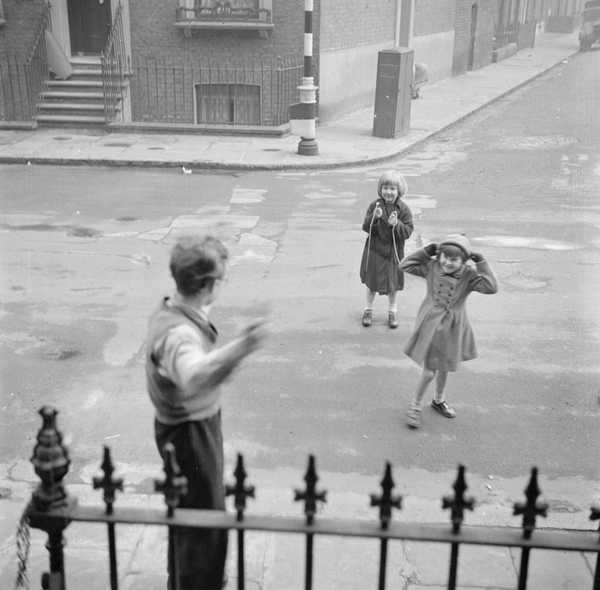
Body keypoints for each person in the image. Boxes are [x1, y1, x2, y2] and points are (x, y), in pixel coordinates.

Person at [145, 234, 266, 589]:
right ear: (207, 284)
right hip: (190, 434)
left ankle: (183, 579)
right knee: (204, 518)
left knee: (187, 512)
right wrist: (243, 347)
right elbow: (194, 376)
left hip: (189, 427)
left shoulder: (175, 308)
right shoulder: (179, 334)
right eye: (220, 279)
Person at [399, 234, 498, 429]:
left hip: (453, 327)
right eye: (444, 256)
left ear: (464, 260)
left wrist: (481, 262)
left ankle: (438, 400)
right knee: (429, 372)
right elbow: (405, 265)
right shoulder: (432, 267)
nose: (447, 262)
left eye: (454, 259)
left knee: (444, 368)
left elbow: (491, 287)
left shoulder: (469, 275)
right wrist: (427, 251)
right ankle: (415, 406)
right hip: (430, 325)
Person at [359, 170, 414, 329]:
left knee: (392, 285)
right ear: (380, 189)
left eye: (392, 189)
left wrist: (396, 224)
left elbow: (408, 231)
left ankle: (392, 311)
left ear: (399, 191)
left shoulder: (403, 209)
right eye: (385, 188)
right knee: (371, 283)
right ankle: (368, 310)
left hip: (392, 253)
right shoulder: (375, 206)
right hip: (375, 251)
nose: (388, 192)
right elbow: (365, 227)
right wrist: (374, 218)